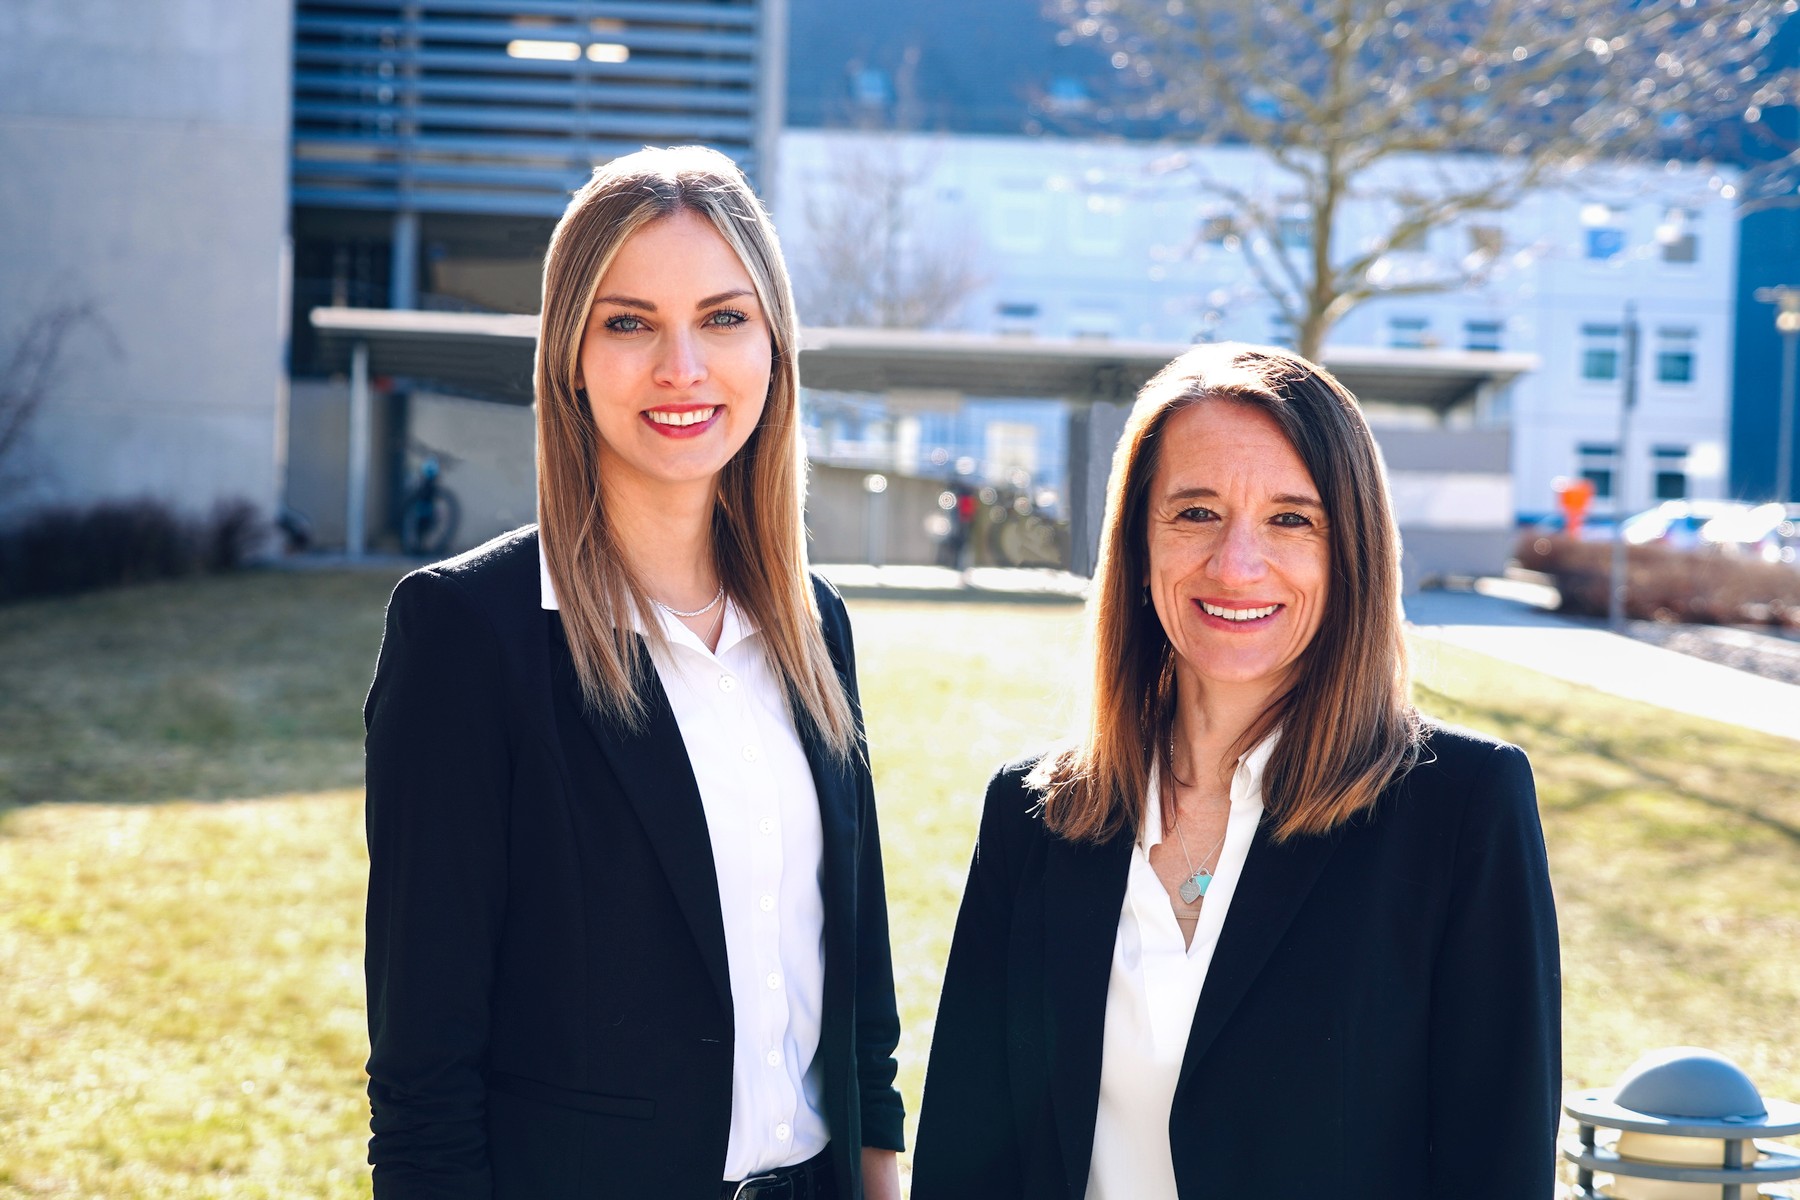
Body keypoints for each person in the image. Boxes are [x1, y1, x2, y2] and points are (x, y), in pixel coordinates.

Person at [362, 146, 904, 1200]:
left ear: (774, 346)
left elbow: (858, 995)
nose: (682, 367)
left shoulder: (814, 627)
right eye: (629, 322)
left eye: (722, 317)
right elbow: (423, 1077)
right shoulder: (467, 638)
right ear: (570, 352)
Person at [910, 344, 1559, 1200]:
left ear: (1351, 550)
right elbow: (966, 1160)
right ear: (1139, 544)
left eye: (1292, 519)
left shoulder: (1462, 812)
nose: (1236, 565)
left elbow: (1496, 1172)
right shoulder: (1032, 818)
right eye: (1196, 513)